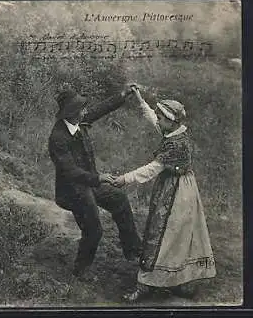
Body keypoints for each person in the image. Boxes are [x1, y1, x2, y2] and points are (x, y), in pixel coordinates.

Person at [113, 85, 216, 301]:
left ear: (171, 121)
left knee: (163, 234)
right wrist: (140, 99)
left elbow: (152, 169)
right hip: (178, 187)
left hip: (178, 193)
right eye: (159, 118)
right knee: (173, 236)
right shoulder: (174, 130)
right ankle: (169, 280)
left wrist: (124, 179)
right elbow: (152, 118)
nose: (158, 121)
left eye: (162, 118)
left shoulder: (176, 144)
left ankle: (147, 284)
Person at [47, 88, 142, 281]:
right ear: (71, 113)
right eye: (81, 109)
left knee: (119, 199)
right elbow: (70, 172)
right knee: (94, 230)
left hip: (89, 184)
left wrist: (122, 95)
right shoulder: (58, 138)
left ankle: (133, 251)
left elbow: (100, 110)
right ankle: (81, 270)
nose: (85, 111)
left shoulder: (78, 121)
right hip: (73, 192)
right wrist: (99, 178)